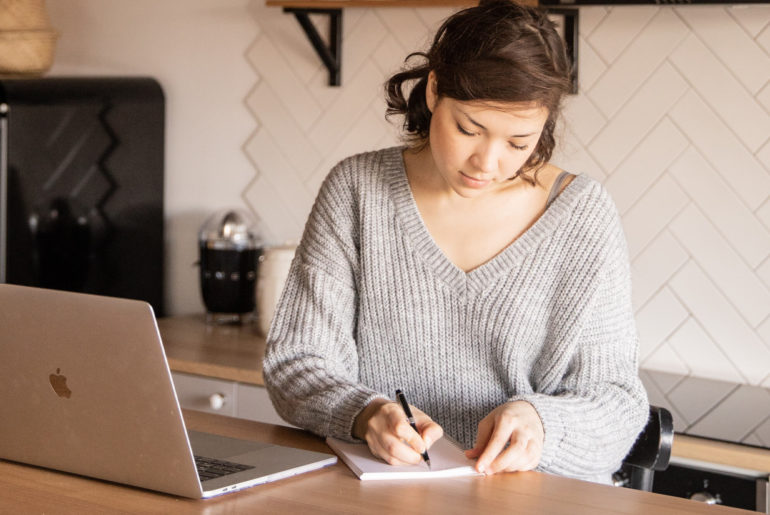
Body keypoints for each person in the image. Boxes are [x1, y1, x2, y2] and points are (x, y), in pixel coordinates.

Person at [263, 0, 648, 485]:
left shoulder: (582, 215)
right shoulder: (357, 190)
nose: (487, 162)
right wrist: (365, 413)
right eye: (469, 129)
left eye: (518, 142)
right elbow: (296, 362)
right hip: (380, 496)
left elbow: (617, 400)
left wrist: (542, 423)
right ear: (433, 90)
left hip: (526, 498)